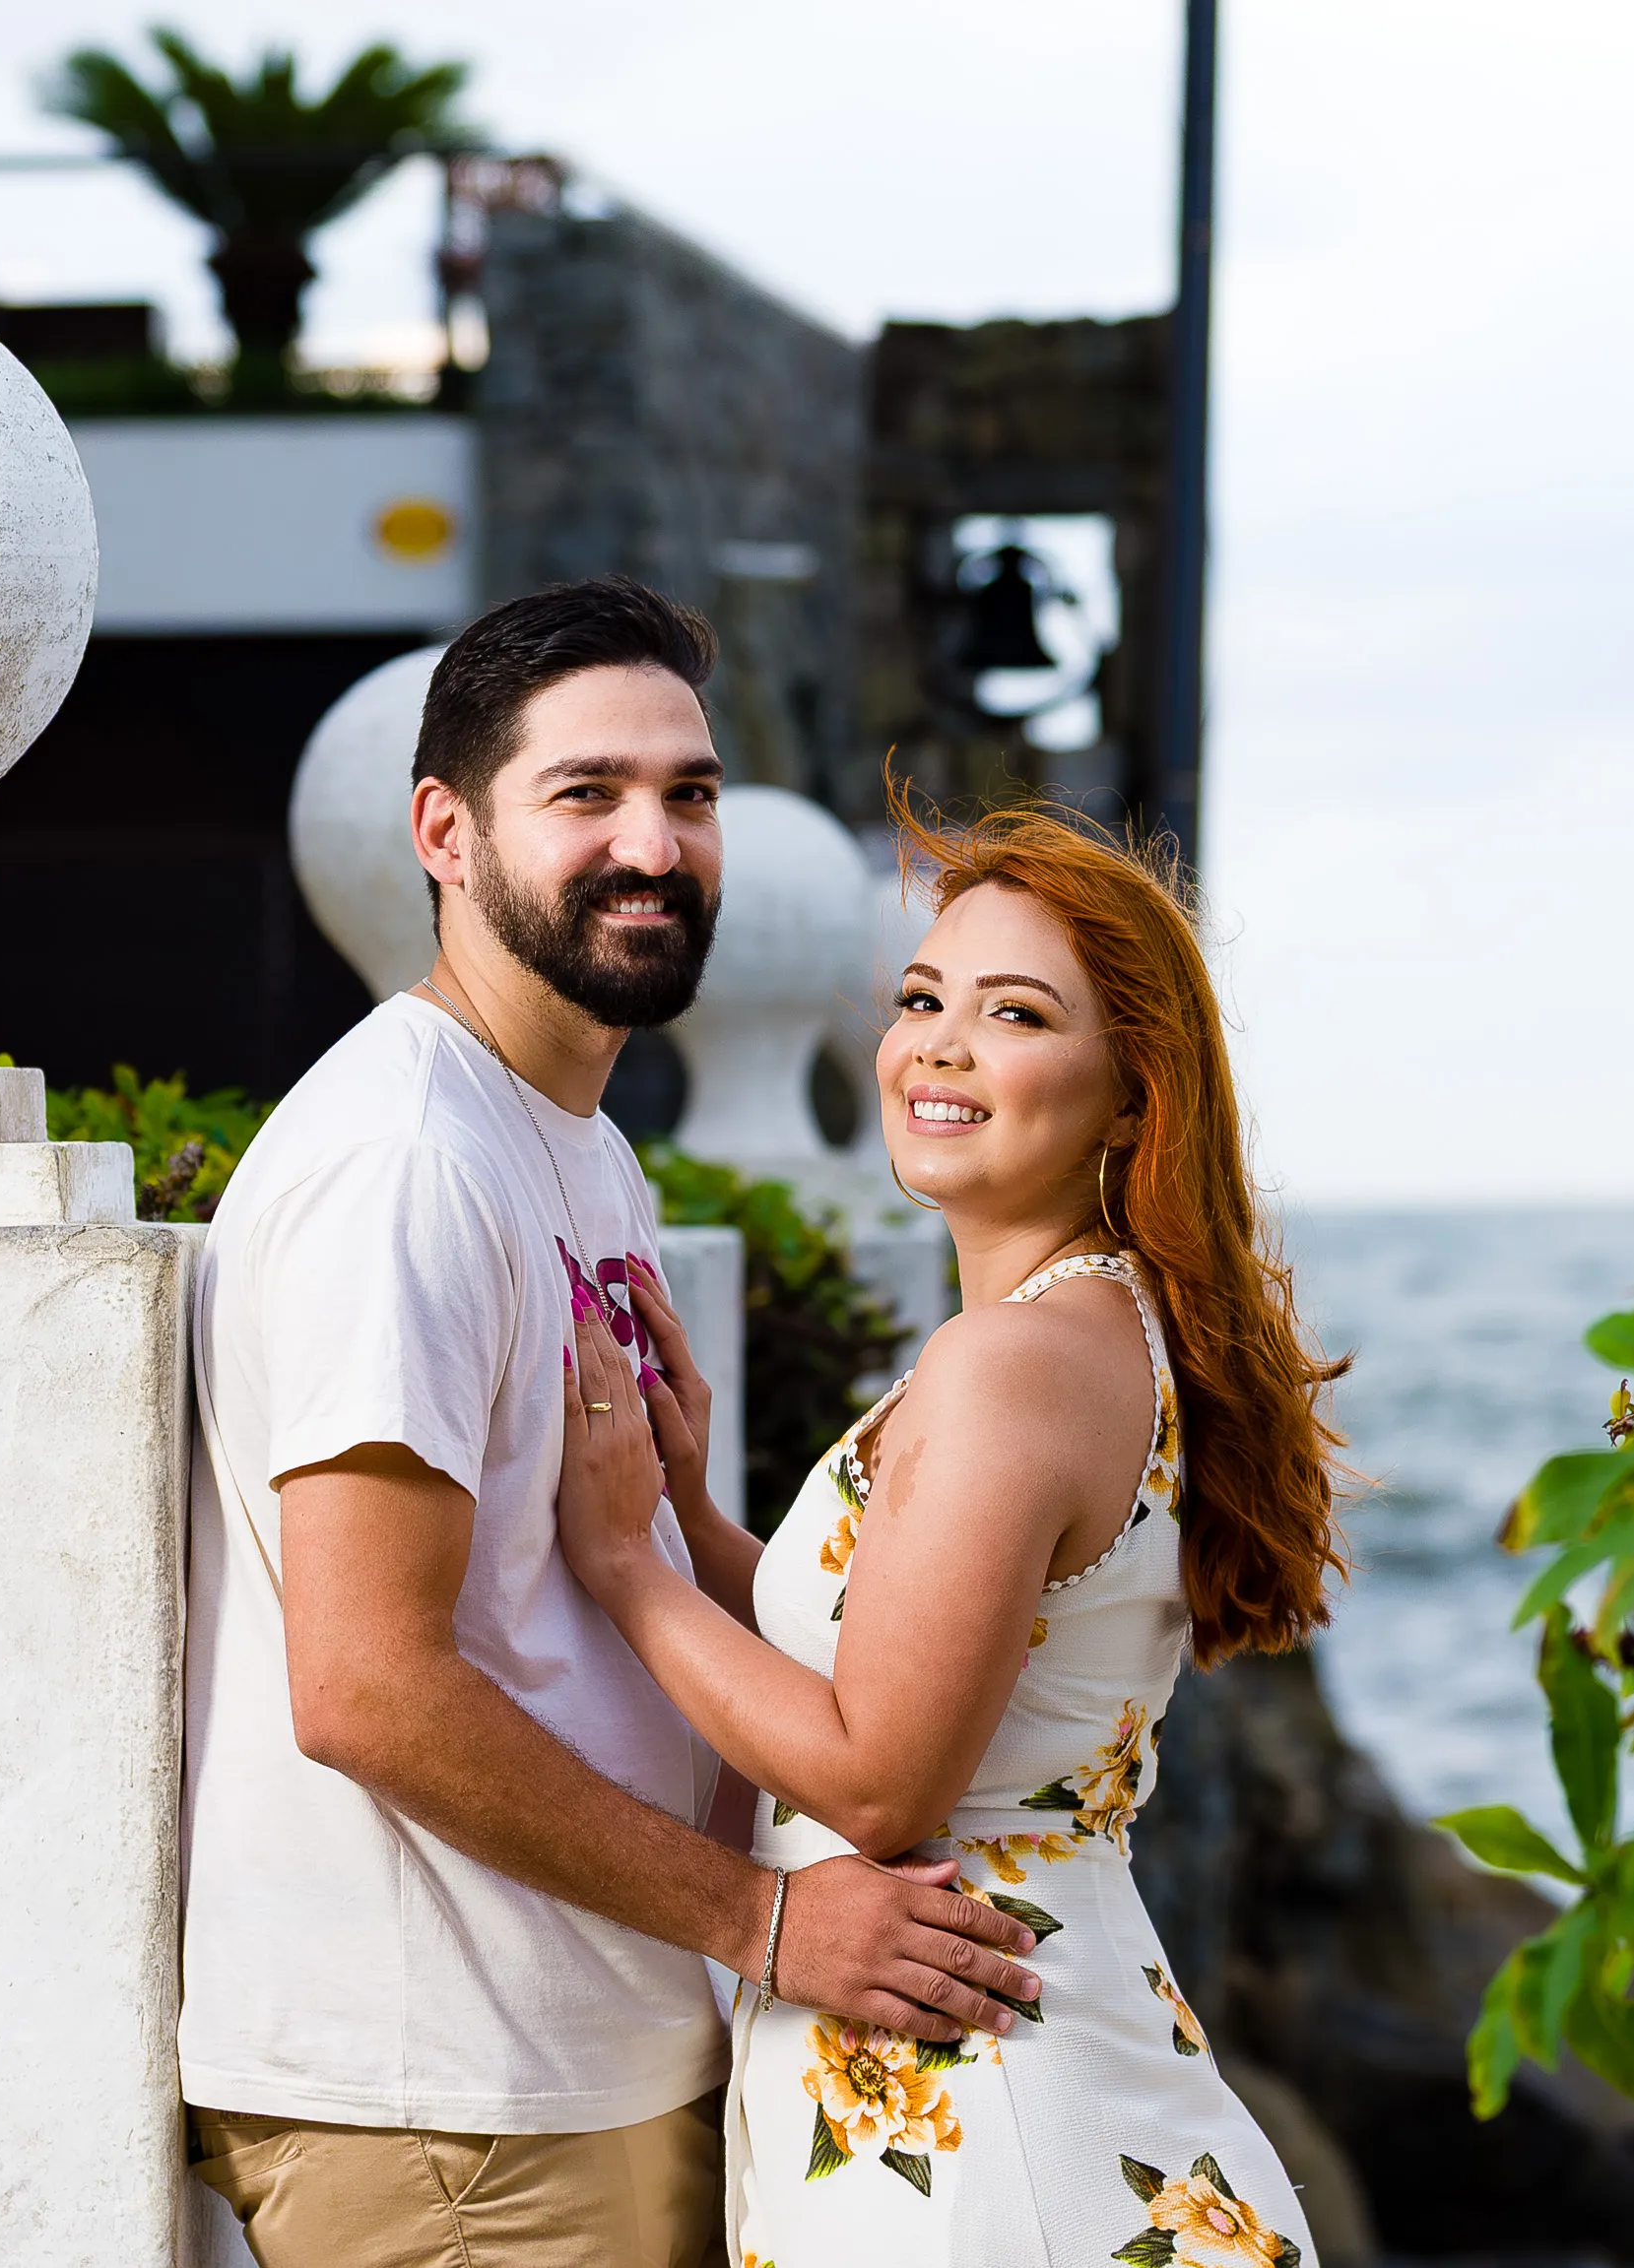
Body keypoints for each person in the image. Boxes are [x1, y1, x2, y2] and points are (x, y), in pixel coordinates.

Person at [179, 577, 1043, 2268]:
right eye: (585, 793)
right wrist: (769, 1923)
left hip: (579, 2051)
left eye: (688, 793)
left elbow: (552, 1596)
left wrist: (685, 1522)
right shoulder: (405, 1165)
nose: (652, 845)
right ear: (444, 832)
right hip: (450, 2101)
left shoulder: (576, 1142)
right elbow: (364, 1684)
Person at [555, 798, 1353, 2266]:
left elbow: (879, 1780)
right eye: (924, 998)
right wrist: (691, 1524)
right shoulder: (1088, 1330)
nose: (940, 1045)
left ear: (1133, 1096)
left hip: (977, 2104)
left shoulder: (1015, 1363)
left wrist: (623, 1570)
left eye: (1016, 1013)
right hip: (1012, 2057)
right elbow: (903, 1657)